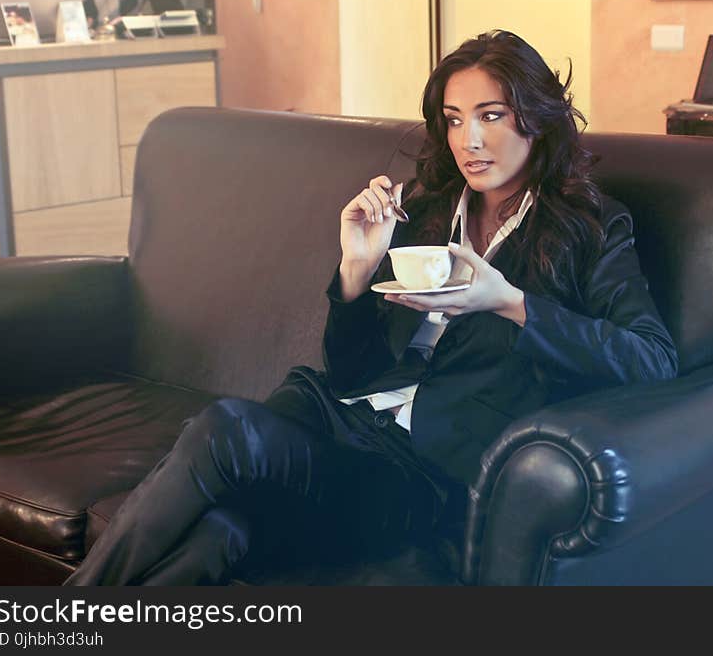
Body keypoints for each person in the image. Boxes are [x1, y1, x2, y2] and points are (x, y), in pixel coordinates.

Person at [64, 29, 678, 586]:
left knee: (223, 431)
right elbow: (349, 370)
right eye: (454, 118)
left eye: (490, 117)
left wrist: (513, 305)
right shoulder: (427, 206)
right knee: (223, 535)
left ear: (536, 121)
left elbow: (651, 360)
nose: (469, 140)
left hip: (420, 473)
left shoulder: (589, 227)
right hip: (336, 417)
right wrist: (356, 269)